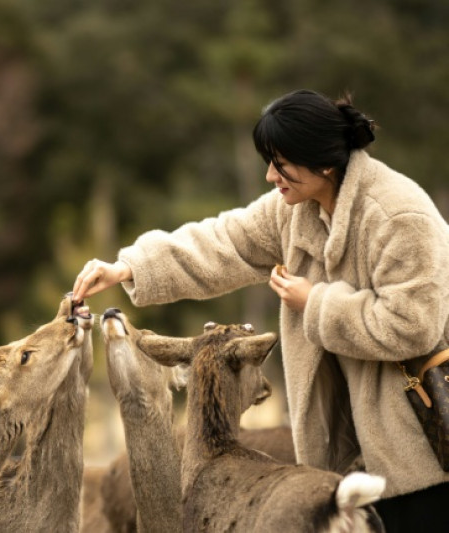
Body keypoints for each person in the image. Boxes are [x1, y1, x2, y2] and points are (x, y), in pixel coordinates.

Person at [71, 89, 449, 532]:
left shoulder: (399, 216)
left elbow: (414, 325)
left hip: (421, 452)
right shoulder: (294, 209)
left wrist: (316, 303)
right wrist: (128, 267)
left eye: (280, 164)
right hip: (355, 454)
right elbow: (222, 242)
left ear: (323, 162)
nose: (270, 176)